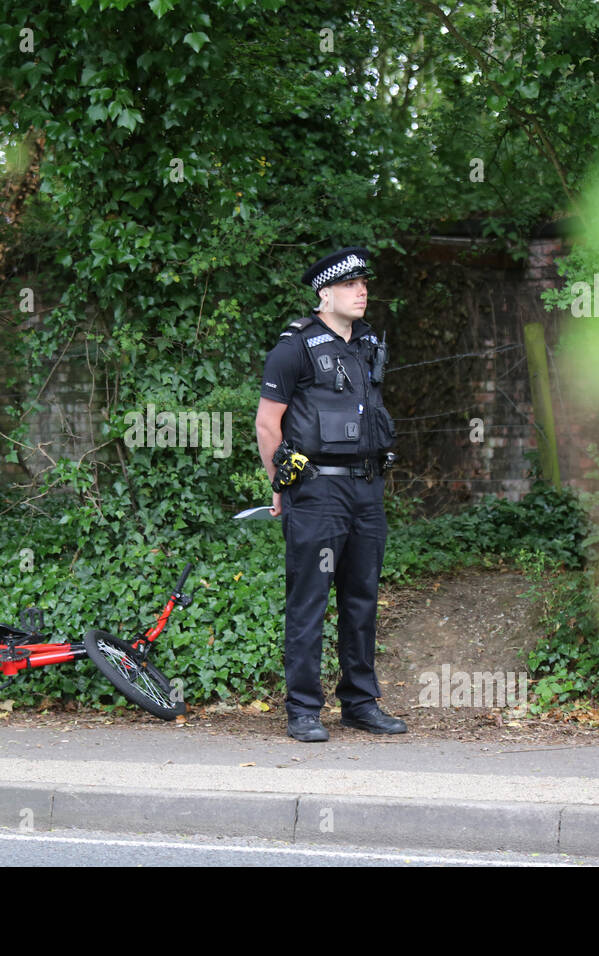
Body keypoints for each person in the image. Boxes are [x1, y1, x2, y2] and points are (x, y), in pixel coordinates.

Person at [254, 246, 407, 742]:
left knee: (362, 599)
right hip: (316, 492)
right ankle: (302, 710)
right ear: (325, 293)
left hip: (365, 489)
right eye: (350, 284)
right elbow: (266, 422)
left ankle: (360, 703)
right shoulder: (294, 347)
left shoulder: (365, 345)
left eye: (364, 283)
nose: (362, 291)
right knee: (310, 599)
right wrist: (282, 486)